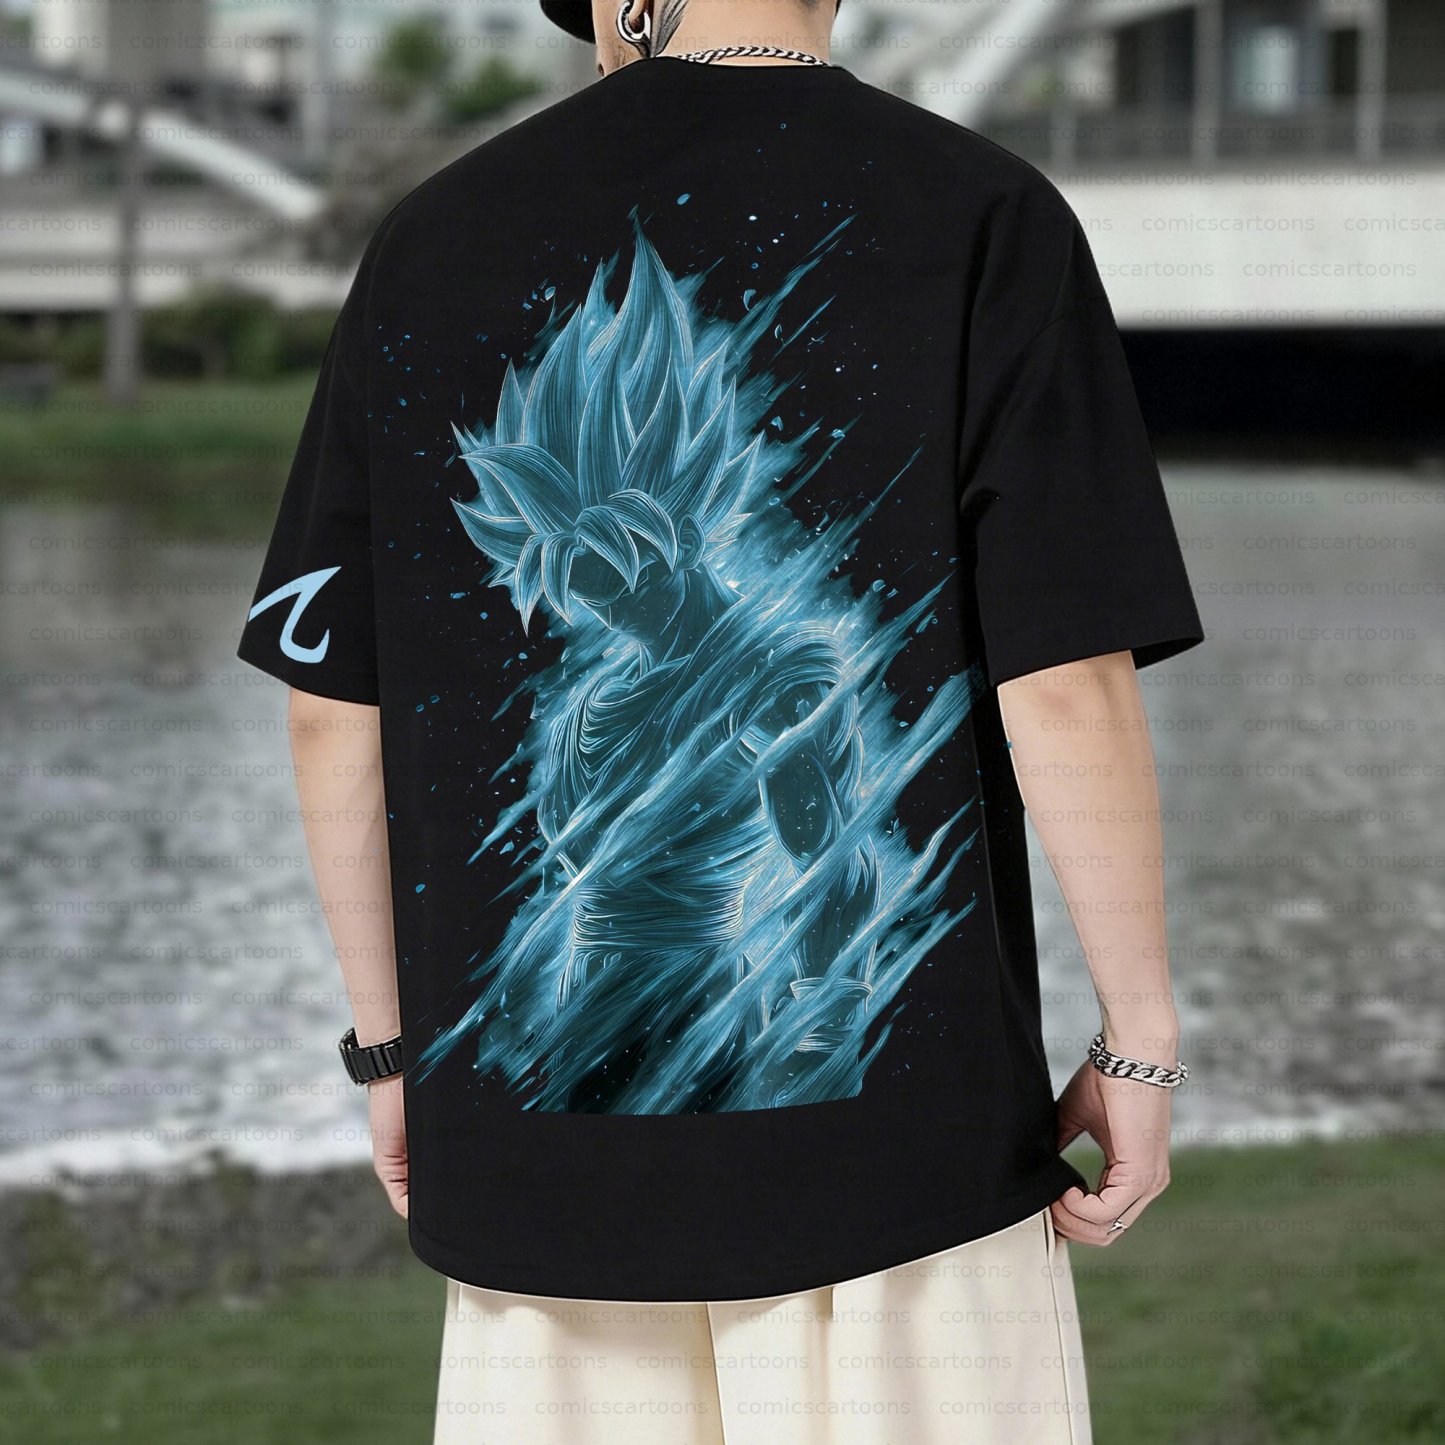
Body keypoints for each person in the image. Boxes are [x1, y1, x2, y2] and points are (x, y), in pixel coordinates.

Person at [237, 1, 1205, 1440]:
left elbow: (333, 710)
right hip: (890, 1174)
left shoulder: (430, 239)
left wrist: (391, 1058)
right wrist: (1137, 1039)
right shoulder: (980, 214)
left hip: (547, 1166)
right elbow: (1059, 680)